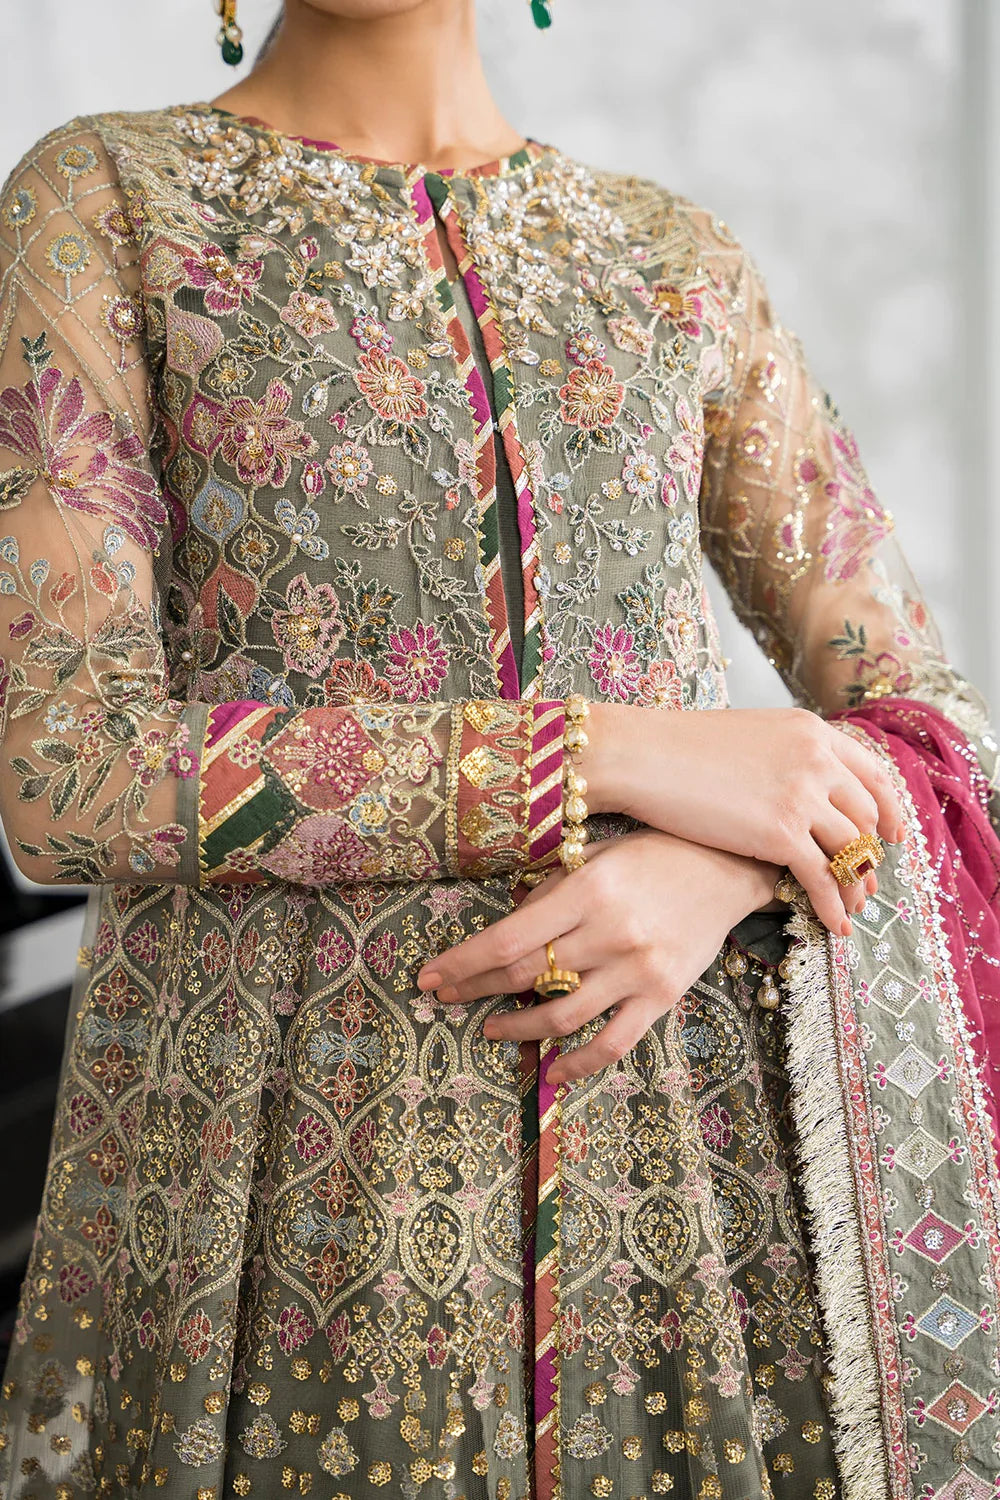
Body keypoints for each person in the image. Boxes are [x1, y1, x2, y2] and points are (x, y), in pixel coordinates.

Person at [0, 2, 998, 1496]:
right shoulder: (105, 204)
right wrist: (595, 756)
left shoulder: (669, 261)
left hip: (680, 1187)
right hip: (271, 1190)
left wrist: (720, 870)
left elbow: (930, 721)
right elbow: (68, 774)